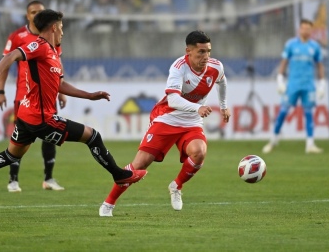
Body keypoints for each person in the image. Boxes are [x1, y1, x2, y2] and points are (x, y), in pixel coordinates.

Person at [0, 9, 147, 213]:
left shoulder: (52, 52)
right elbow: (13, 54)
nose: (63, 32)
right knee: (93, 136)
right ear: (53, 27)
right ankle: (119, 175)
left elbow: (59, 84)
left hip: (26, 117)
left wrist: (89, 95)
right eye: (61, 27)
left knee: (10, 156)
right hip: (41, 119)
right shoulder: (40, 46)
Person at [99, 30, 231, 217]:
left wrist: (224, 106)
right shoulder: (178, 67)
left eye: (208, 51)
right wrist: (197, 108)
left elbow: (222, 81)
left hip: (191, 122)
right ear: (188, 51)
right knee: (141, 163)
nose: (206, 56)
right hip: (167, 118)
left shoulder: (216, 67)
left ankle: (176, 186)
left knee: (199, 152)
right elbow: (173, 100)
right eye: (201, 52)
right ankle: (108, 203)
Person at [0, 0, 67, 192]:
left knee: (50, 136)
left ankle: (49, 178)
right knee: (19, 139)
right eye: (33, 12)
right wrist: (1, 90)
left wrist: (61, 90)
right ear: (27, 15)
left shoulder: (53, 37)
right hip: (24, 95)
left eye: (40, 11)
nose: (37, 14)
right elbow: (6, 62)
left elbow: (57, 64)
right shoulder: (17, 36)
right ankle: (13, 179)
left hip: (47, 95)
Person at [262, 18, 325, 154]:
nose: (306, 30)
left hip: (308, 85)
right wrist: (280, 79)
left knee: (308, 113)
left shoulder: (315, 46)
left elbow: (319, 65)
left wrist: (322, 84)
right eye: (303, 28)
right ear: (299, 29)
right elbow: (284, 62)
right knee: (283, 112)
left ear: (311, 31)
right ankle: (273, 141)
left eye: (308, 28)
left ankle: (310, 144)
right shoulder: (291, 44)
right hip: (293, 84)